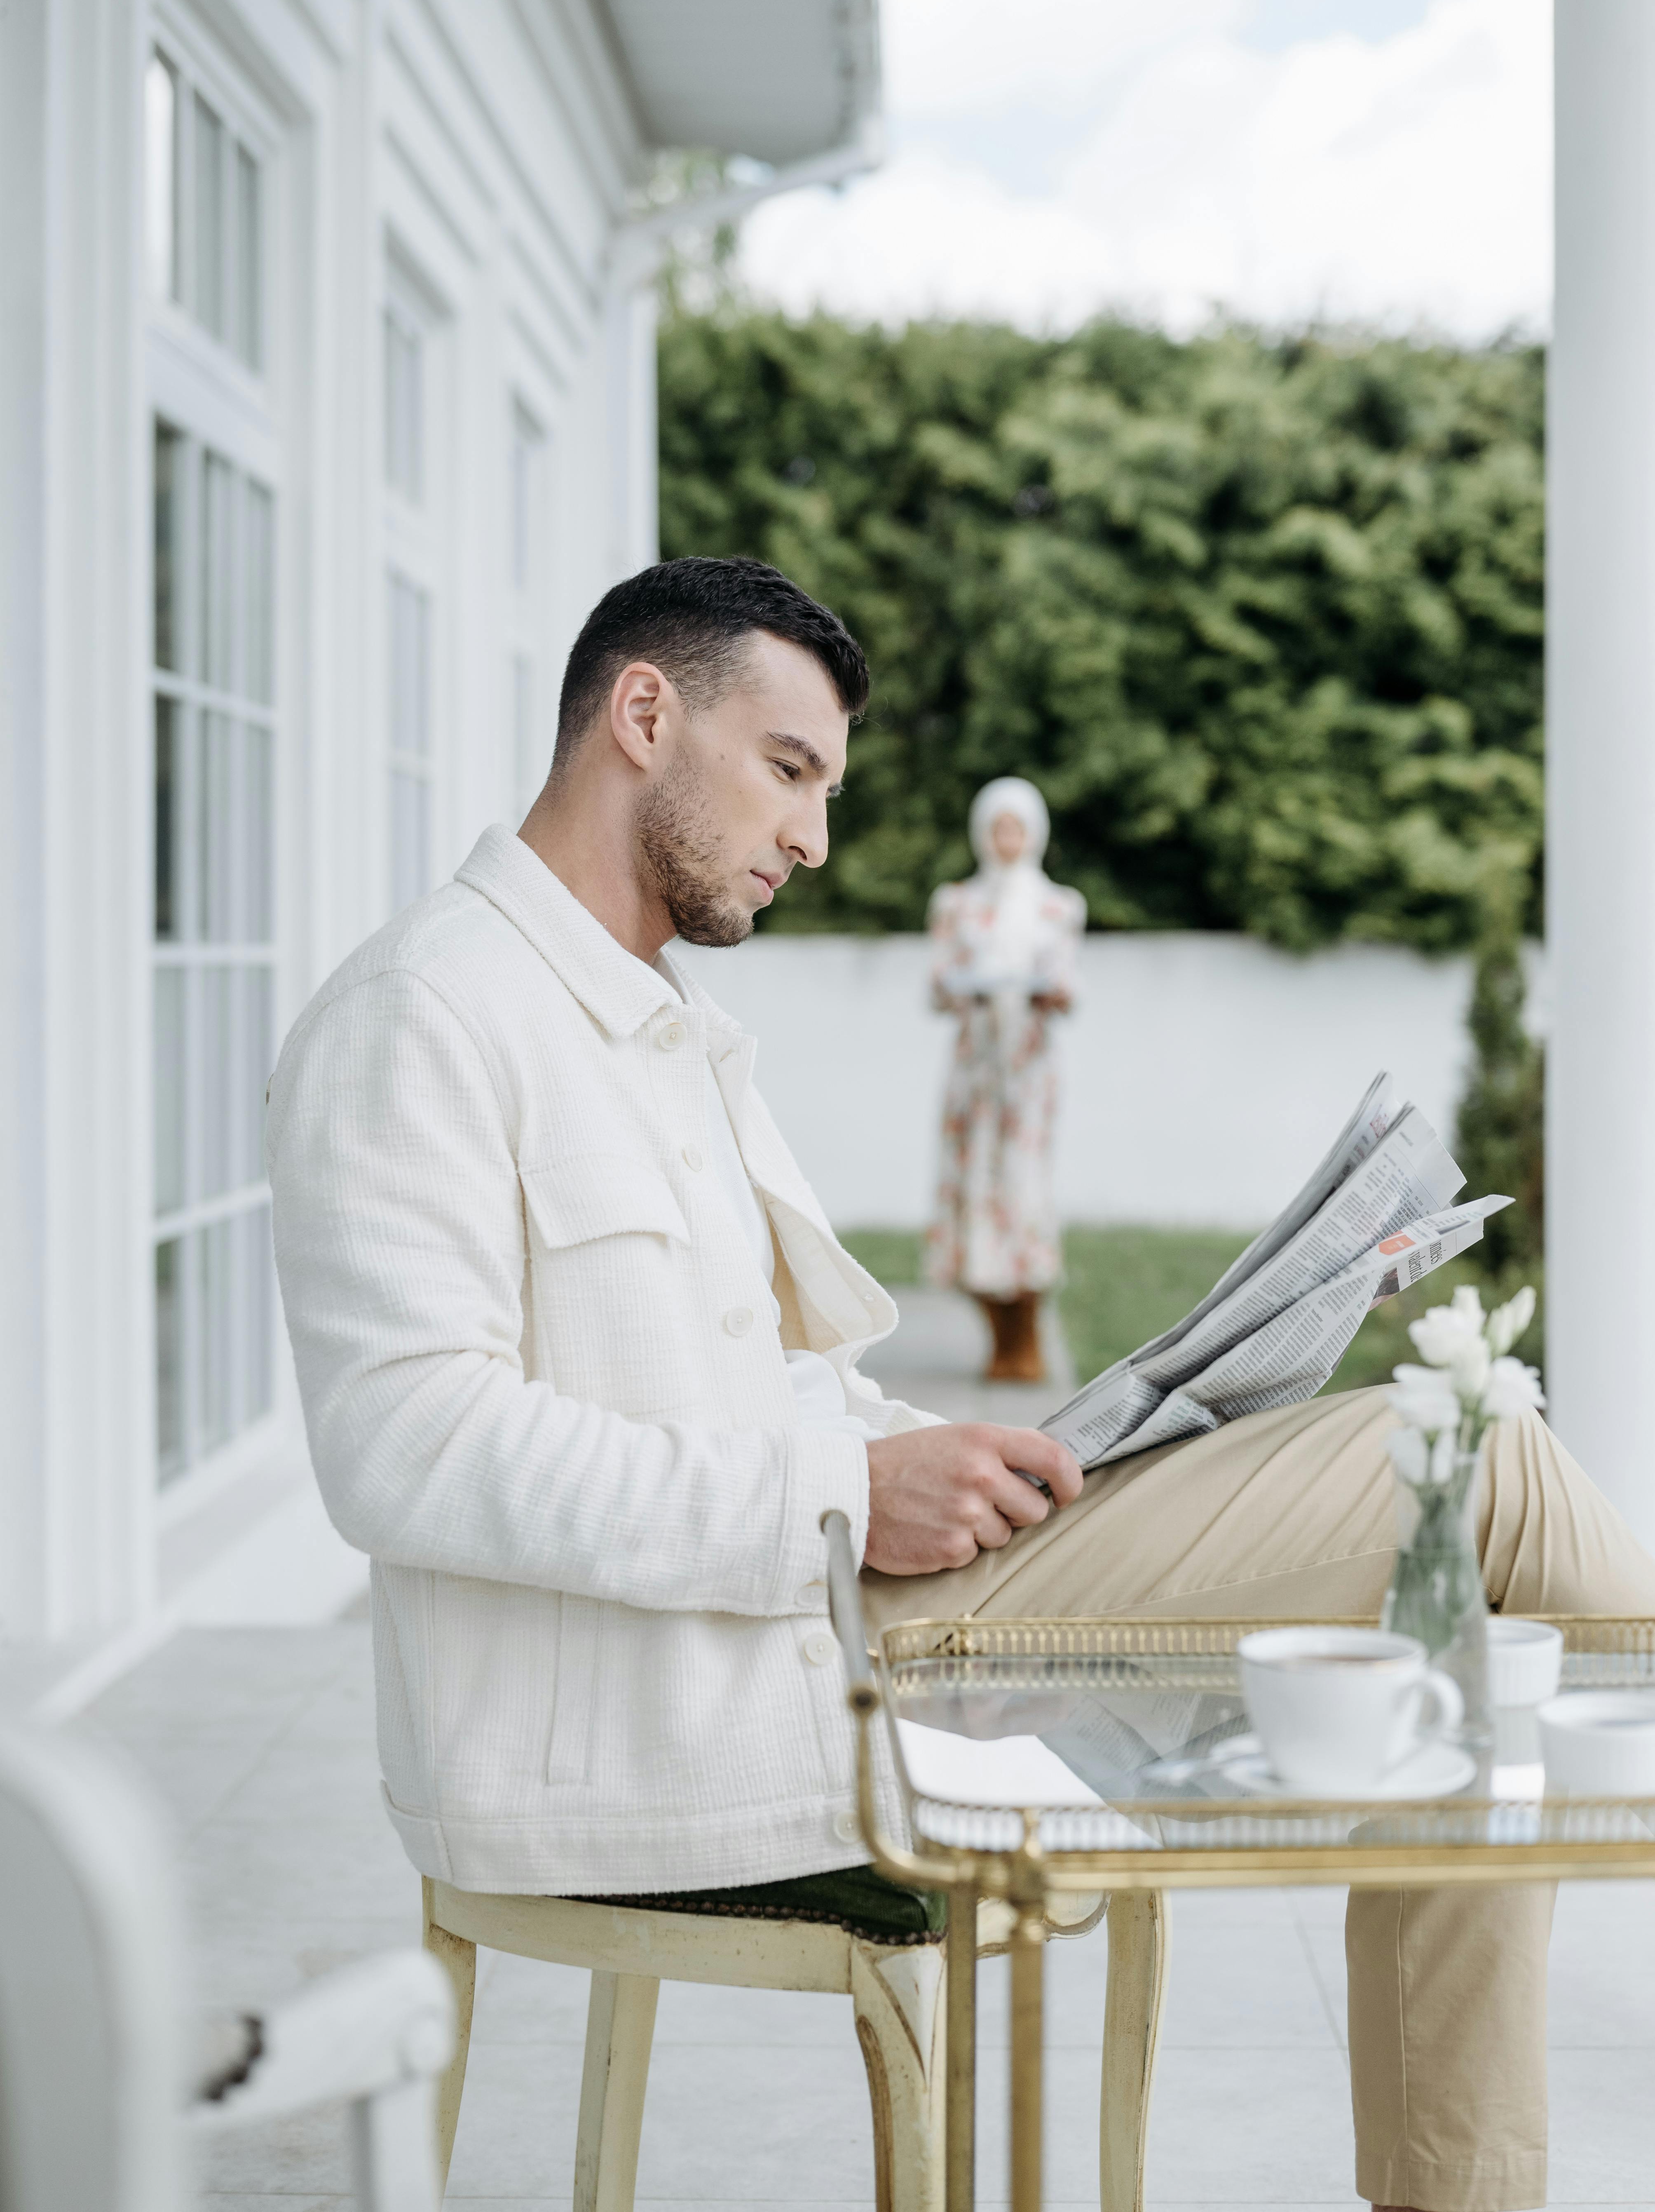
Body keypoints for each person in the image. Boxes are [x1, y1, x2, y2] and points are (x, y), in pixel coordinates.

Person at [270, 555, 1655, 2212]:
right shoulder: (425, 1011)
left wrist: (929, 1447)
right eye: (788, 771)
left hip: (848, 1606)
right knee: (1474, 1457)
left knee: (1461, 1609)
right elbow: (402, 1448)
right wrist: (850, 1492)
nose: (814, 839)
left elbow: (776, 1388)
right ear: (641, 713)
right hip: (723, 1693)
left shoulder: (654, 1021)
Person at [925, 776, 1084, 1383]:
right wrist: (973, 980)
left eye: (1018, 826)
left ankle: (1028, 1341)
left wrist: (1042, 985)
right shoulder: (956, 903)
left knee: (1023, 1193)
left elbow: (1070, 986)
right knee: (972, 1191)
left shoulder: (1059, 906)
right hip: (975, 1074)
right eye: (999, 826)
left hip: (1031, 1075)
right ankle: (996, 1341)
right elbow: (937, 986)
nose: (1009, 838)